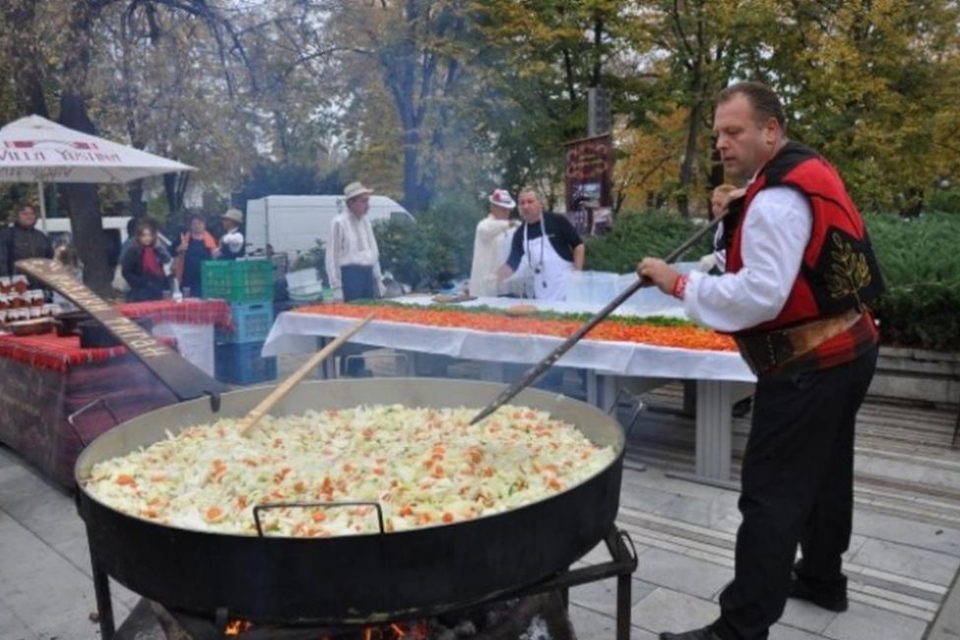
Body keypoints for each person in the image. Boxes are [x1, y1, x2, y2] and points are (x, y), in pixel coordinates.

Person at [640, 82, 884, 640]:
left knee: (771, 494)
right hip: (851, 346)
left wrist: (678, 282)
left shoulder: (775, 197)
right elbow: (774, 260)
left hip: (809, 364)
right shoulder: (796, 173)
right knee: (825, 473)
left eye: (735, 131)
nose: (722, 143)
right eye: (719, 133)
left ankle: (740, 628)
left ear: (770, 131)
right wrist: (737, 214)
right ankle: (823, 578)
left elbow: (759, 295)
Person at [496, 188, 584, 301]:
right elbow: (512, 264)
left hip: (566, 288)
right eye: (522, 203)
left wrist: (577, 275)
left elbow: (578, 246)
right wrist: (494, 277)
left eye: (530, 201)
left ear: (540, 203)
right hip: (541, 294)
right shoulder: (520, 233)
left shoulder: (557, 221)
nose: (526, 206)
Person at [325, 182, 385, 302]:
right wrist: (336, 287)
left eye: (368, 201)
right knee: (353, 314)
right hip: (350, 277)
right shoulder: (339, 223)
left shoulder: (366, 222)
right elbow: (332, 257)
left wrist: (378, 279)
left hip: (367, 275)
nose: (367, 205)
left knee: (369, 312)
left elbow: (373, 251)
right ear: (351, 203)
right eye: (363, 201)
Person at [468, 188, 520, 297]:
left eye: (508, 209)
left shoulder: (512, 228)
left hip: (507, 286)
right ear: (493, 208)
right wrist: (511, 224)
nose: (507, 212)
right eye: (503, 208)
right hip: (486, 289)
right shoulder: (484, 225)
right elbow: (488, 229)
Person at [122, 221, 171, 302]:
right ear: (139, 237)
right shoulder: (133, 251)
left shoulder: (156, 251)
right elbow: (126, 272)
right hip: (139, 293)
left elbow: (165, 263)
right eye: (144, 235)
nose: (147, 238)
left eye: (149, 235)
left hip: (157, 291)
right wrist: (140, 283)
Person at [0, 205, 54, 277]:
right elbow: (2, 260)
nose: (29, 216)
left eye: (32, 214)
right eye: (24, 214)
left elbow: (49, 259)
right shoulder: (7, 234)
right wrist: (5, 279)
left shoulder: (41, 236)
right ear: (17, 216)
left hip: (40, 281)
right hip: (17, 281)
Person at [173, 214, 217, 297]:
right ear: (190, 226)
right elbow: (171, 251)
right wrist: (179, 248)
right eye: (194, 224)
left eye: (199, 223)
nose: (197, 226)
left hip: (205, 279)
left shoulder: (211, 239)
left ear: (204, 225)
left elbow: (215, 256)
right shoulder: (183, 238)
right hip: (187, 279)